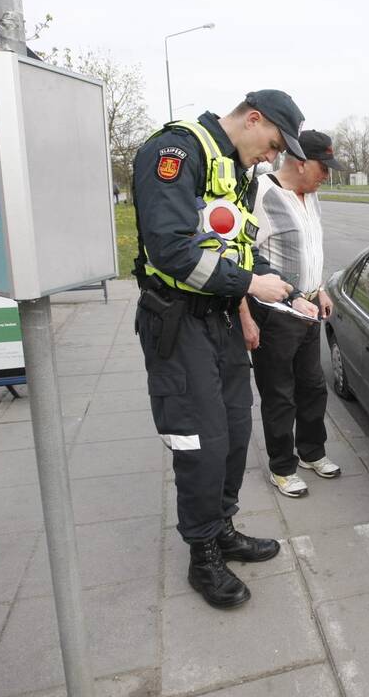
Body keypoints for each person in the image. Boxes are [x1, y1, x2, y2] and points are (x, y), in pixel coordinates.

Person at [132, 89, 315, 609]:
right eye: (274, 144)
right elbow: (170, 251)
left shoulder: (235, 170)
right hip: (179, 324)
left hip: (221, 322)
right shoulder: (177, 152)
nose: (273, 158)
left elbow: (234, 249)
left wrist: (267, 298)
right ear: (253, 119)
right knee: (201, 442)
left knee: (235, 432)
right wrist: (250, 288)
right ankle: (202, 553)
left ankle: (223, 527)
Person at [240, 130, 347, 498]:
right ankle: (282, 467)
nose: (327, 176)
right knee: (279, 393)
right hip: (276, 314)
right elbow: (245, 254)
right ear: (301, 162)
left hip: (309, 311)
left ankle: (311, 452)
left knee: (313, 386)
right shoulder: (262, 194)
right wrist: (249, 316)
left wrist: (319, 289)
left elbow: (309, 250)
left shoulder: (310, 197)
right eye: (323, 168)